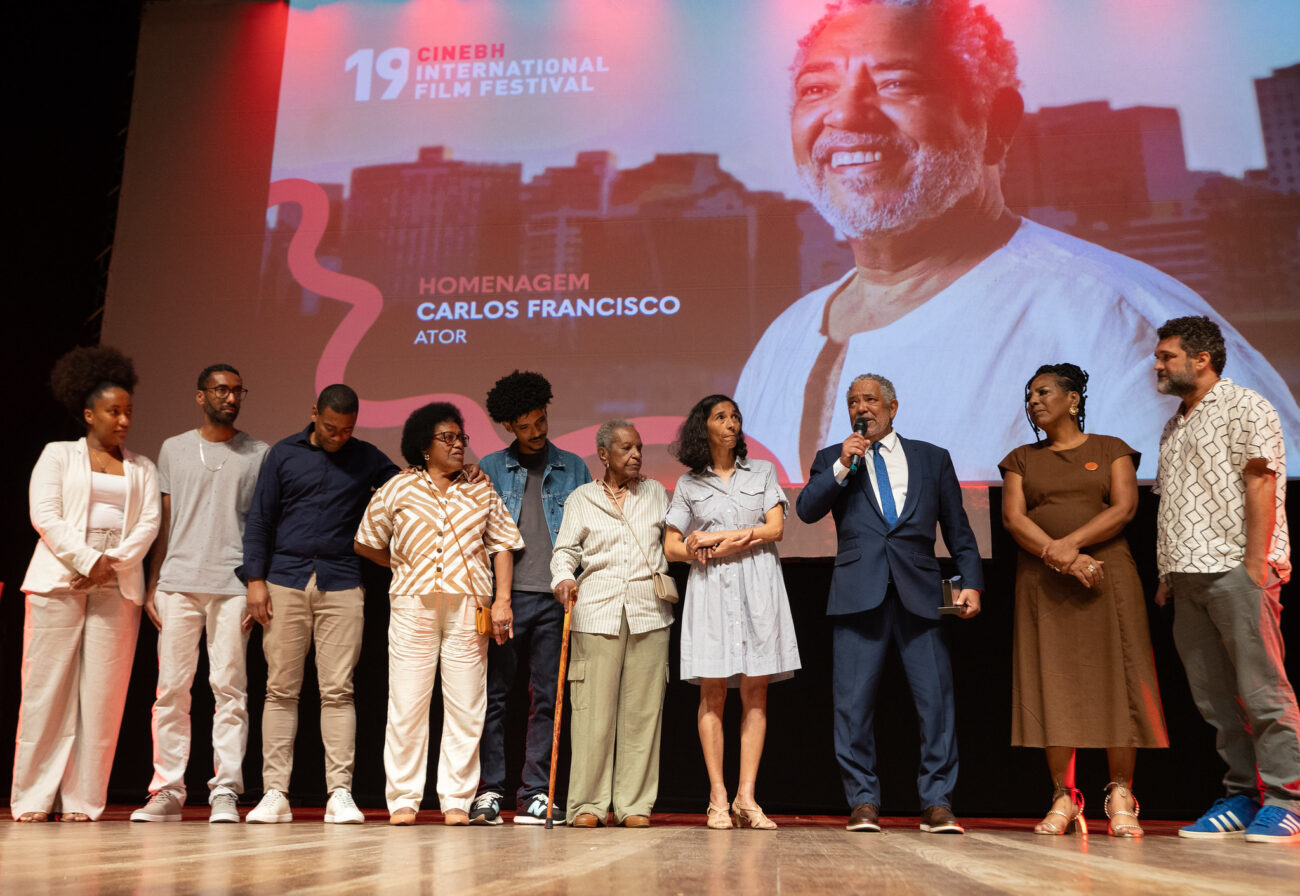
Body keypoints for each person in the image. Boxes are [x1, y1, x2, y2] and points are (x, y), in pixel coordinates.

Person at [735, 0, 1300, 484]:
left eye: (896, 83)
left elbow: (1247, 555)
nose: (846, 113)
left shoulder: (1127, 329)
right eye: (817, 87)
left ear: (998, 123)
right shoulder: (781, 340)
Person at [796, 373, 982, 834]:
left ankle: (937, 801)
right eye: (854, 401)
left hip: (923, 589)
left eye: (871, 399)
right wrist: (842, 465)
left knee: (936, 701)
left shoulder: (932, 458)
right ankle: (862, 800)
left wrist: (971, 583)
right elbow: (806, 510)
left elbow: (958, 529)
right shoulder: (833, 458)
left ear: (892, 407)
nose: (863, 407)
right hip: (859, 590)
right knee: (852, 705)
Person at [999, 363, 1168, 838]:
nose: (1033, 400)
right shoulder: (1020, 459)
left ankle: (1120, 792)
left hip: (1107, 577)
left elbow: (1124, 508)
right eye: (1029, 394)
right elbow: (1014, 520)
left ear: (1073, 399)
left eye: (1044, 392)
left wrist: (1068, 546)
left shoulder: (1110, 449)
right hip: (1044, 580)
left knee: (1118, 678)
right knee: (1053, 681)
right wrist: (1061, 558)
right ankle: (1063, 795)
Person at [1151, 316, 1300, 844]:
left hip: (1237, 569)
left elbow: (1261, 482)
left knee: (1261, 690)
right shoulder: (1176, 421)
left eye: (1168, 355)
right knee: (1214, 698)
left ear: (1201, 359)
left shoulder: (1248, 406)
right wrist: (1167, 572)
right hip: (1188, 577)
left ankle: (1286, 799)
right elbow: (1174, 504)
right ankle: (1241, 794)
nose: (1159, 364)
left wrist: (1257, 565)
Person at [354, 402, 523, 826]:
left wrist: (502, 599)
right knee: (407, 704)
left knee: (466, 705)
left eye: (461, 437)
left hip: (469, 606)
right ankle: (405, 800)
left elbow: (502, 544)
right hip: (415, 604)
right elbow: (366, 542)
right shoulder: (398, 488)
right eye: (447, 438)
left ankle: (455, 800)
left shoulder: (480, 488)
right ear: (423, 446)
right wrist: (403, 566)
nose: (458, 445)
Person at [239, 384, 400, 824]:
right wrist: (255, 581)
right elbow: (260, 519)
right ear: (314, 414)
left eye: (347, 430)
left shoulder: (366, 456)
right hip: (284, 580)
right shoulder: (283, 454)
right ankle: (274, 792)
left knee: (338, 690)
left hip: (342, 582)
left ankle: (340, 792)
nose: (338, 437)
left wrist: (460, 477)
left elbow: (407, 488)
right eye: (331, 428)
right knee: (279, 690)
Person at [12, 346, 160, 822]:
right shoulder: (57, 456)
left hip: (116, 588)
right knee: (45, 691)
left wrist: (107, 565)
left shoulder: (142, 467)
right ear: (88, 413)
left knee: (102, 698)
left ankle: (82, 801)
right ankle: (33, 798)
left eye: (128, 413)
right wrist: (86, 559)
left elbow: (148, 525)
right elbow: (46, 516)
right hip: (59, 582)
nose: (123, 421)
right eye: (114, 412)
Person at [129, 364, 268, 824]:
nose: (231, 398)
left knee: (230, 689)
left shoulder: (257, 453)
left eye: (237, 391)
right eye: (221, 390)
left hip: (231, 586)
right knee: (171, 690)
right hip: (178, 583)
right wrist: (153, 582)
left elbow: (262, 527)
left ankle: (225, 789)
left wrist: (255, 584)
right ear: (200, 395)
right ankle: (167, 789)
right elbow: (165, 521)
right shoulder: (174, 449)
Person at [664, 395, 800, 830]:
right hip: (711, 588)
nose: (732, 423)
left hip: (758, 584)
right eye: (721, 417)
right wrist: (692, 545)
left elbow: (776, 528)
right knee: (713, 694)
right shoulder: (689, 484)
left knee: (756, 692)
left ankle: (747, 796)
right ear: (703, 427)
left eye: (735, 416)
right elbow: (671, 545)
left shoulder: (761, 472)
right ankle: (718, 797)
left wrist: (731, 537)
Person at [471, 371, 591, 825]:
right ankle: (489, 790)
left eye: (541, 421)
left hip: (555, 599)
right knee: (495, 696)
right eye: (525, 427)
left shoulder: (574, 466)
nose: (537, 431)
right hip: (505, 598)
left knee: (547, 698)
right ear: (508, 427)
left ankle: (536, 791)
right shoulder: (491, 468)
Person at [551, 421, 675, 828]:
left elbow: (672, 541)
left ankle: (634, 805)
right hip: (597, 611)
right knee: (591, 713)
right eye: (626, 448)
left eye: (639, 447)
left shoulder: (656, 492)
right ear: (603, 454)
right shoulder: (581, 498)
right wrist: (563, 578)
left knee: (642, 713)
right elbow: (565, 550)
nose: (636, 454)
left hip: (649, 612)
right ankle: (587, 804)